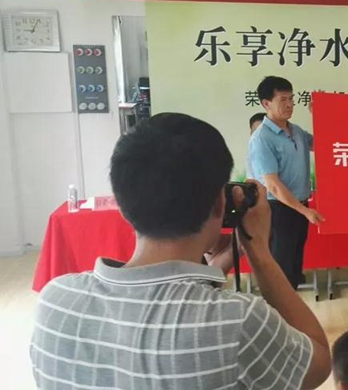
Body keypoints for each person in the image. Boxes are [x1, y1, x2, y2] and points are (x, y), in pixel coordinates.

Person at [30, 113, 331, 390]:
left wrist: (220, 263)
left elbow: (169, 300)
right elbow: (317, 363)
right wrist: (259, 251)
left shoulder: (56, 303)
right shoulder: (238, 321)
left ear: (122, 203)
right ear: (220, 204)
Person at [249, 76, 325, 289]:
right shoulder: (262, 139)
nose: (290, 104)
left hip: (300, 208)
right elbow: (273, 185)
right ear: (266, 103)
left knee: (294, 265)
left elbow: (323, 144)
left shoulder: (296, 131)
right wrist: (304, 211)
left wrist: (320, 115)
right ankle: (279, 309)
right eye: (283, 100)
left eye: (291, 98)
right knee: (281, 267)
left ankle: (291, 306)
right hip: (279, 210)